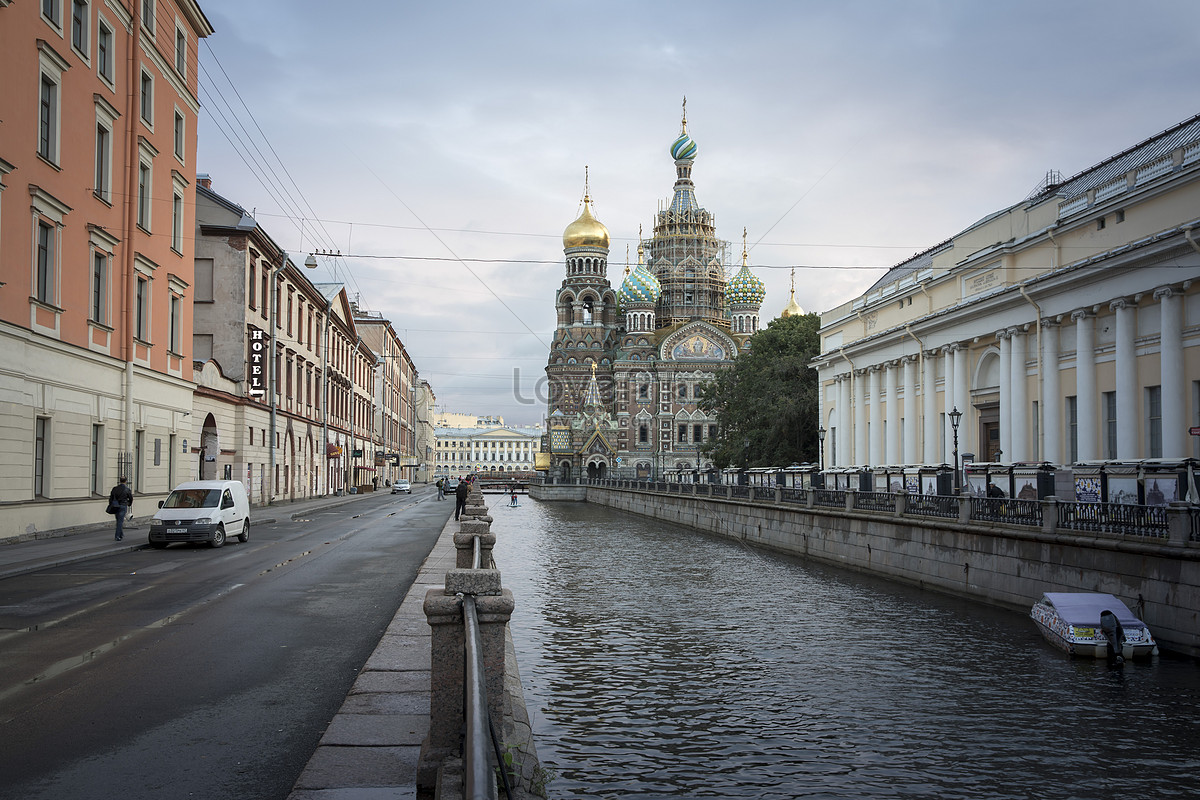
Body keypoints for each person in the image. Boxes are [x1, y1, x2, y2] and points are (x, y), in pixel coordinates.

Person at [109, 476, 133, 541]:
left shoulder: (115, 488)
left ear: (120, 481)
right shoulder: (127, 489)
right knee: (120, 521)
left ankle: (121, 534)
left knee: (118, 520)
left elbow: (111, 497)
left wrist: (111, 504)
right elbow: (130, 498)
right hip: (123, 505)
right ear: (126, 481)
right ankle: (117, 536)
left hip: (116, 506)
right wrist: (129, 503)